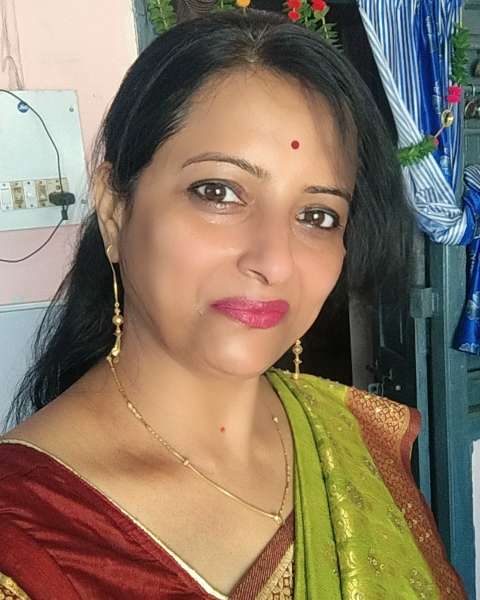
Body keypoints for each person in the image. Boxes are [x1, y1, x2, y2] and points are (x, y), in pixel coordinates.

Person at [0, 8, 467, 599]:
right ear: (115, 210)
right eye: (218, 192)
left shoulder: (355, 442)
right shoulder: (26, 538)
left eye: (317, 215)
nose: (274, 260)